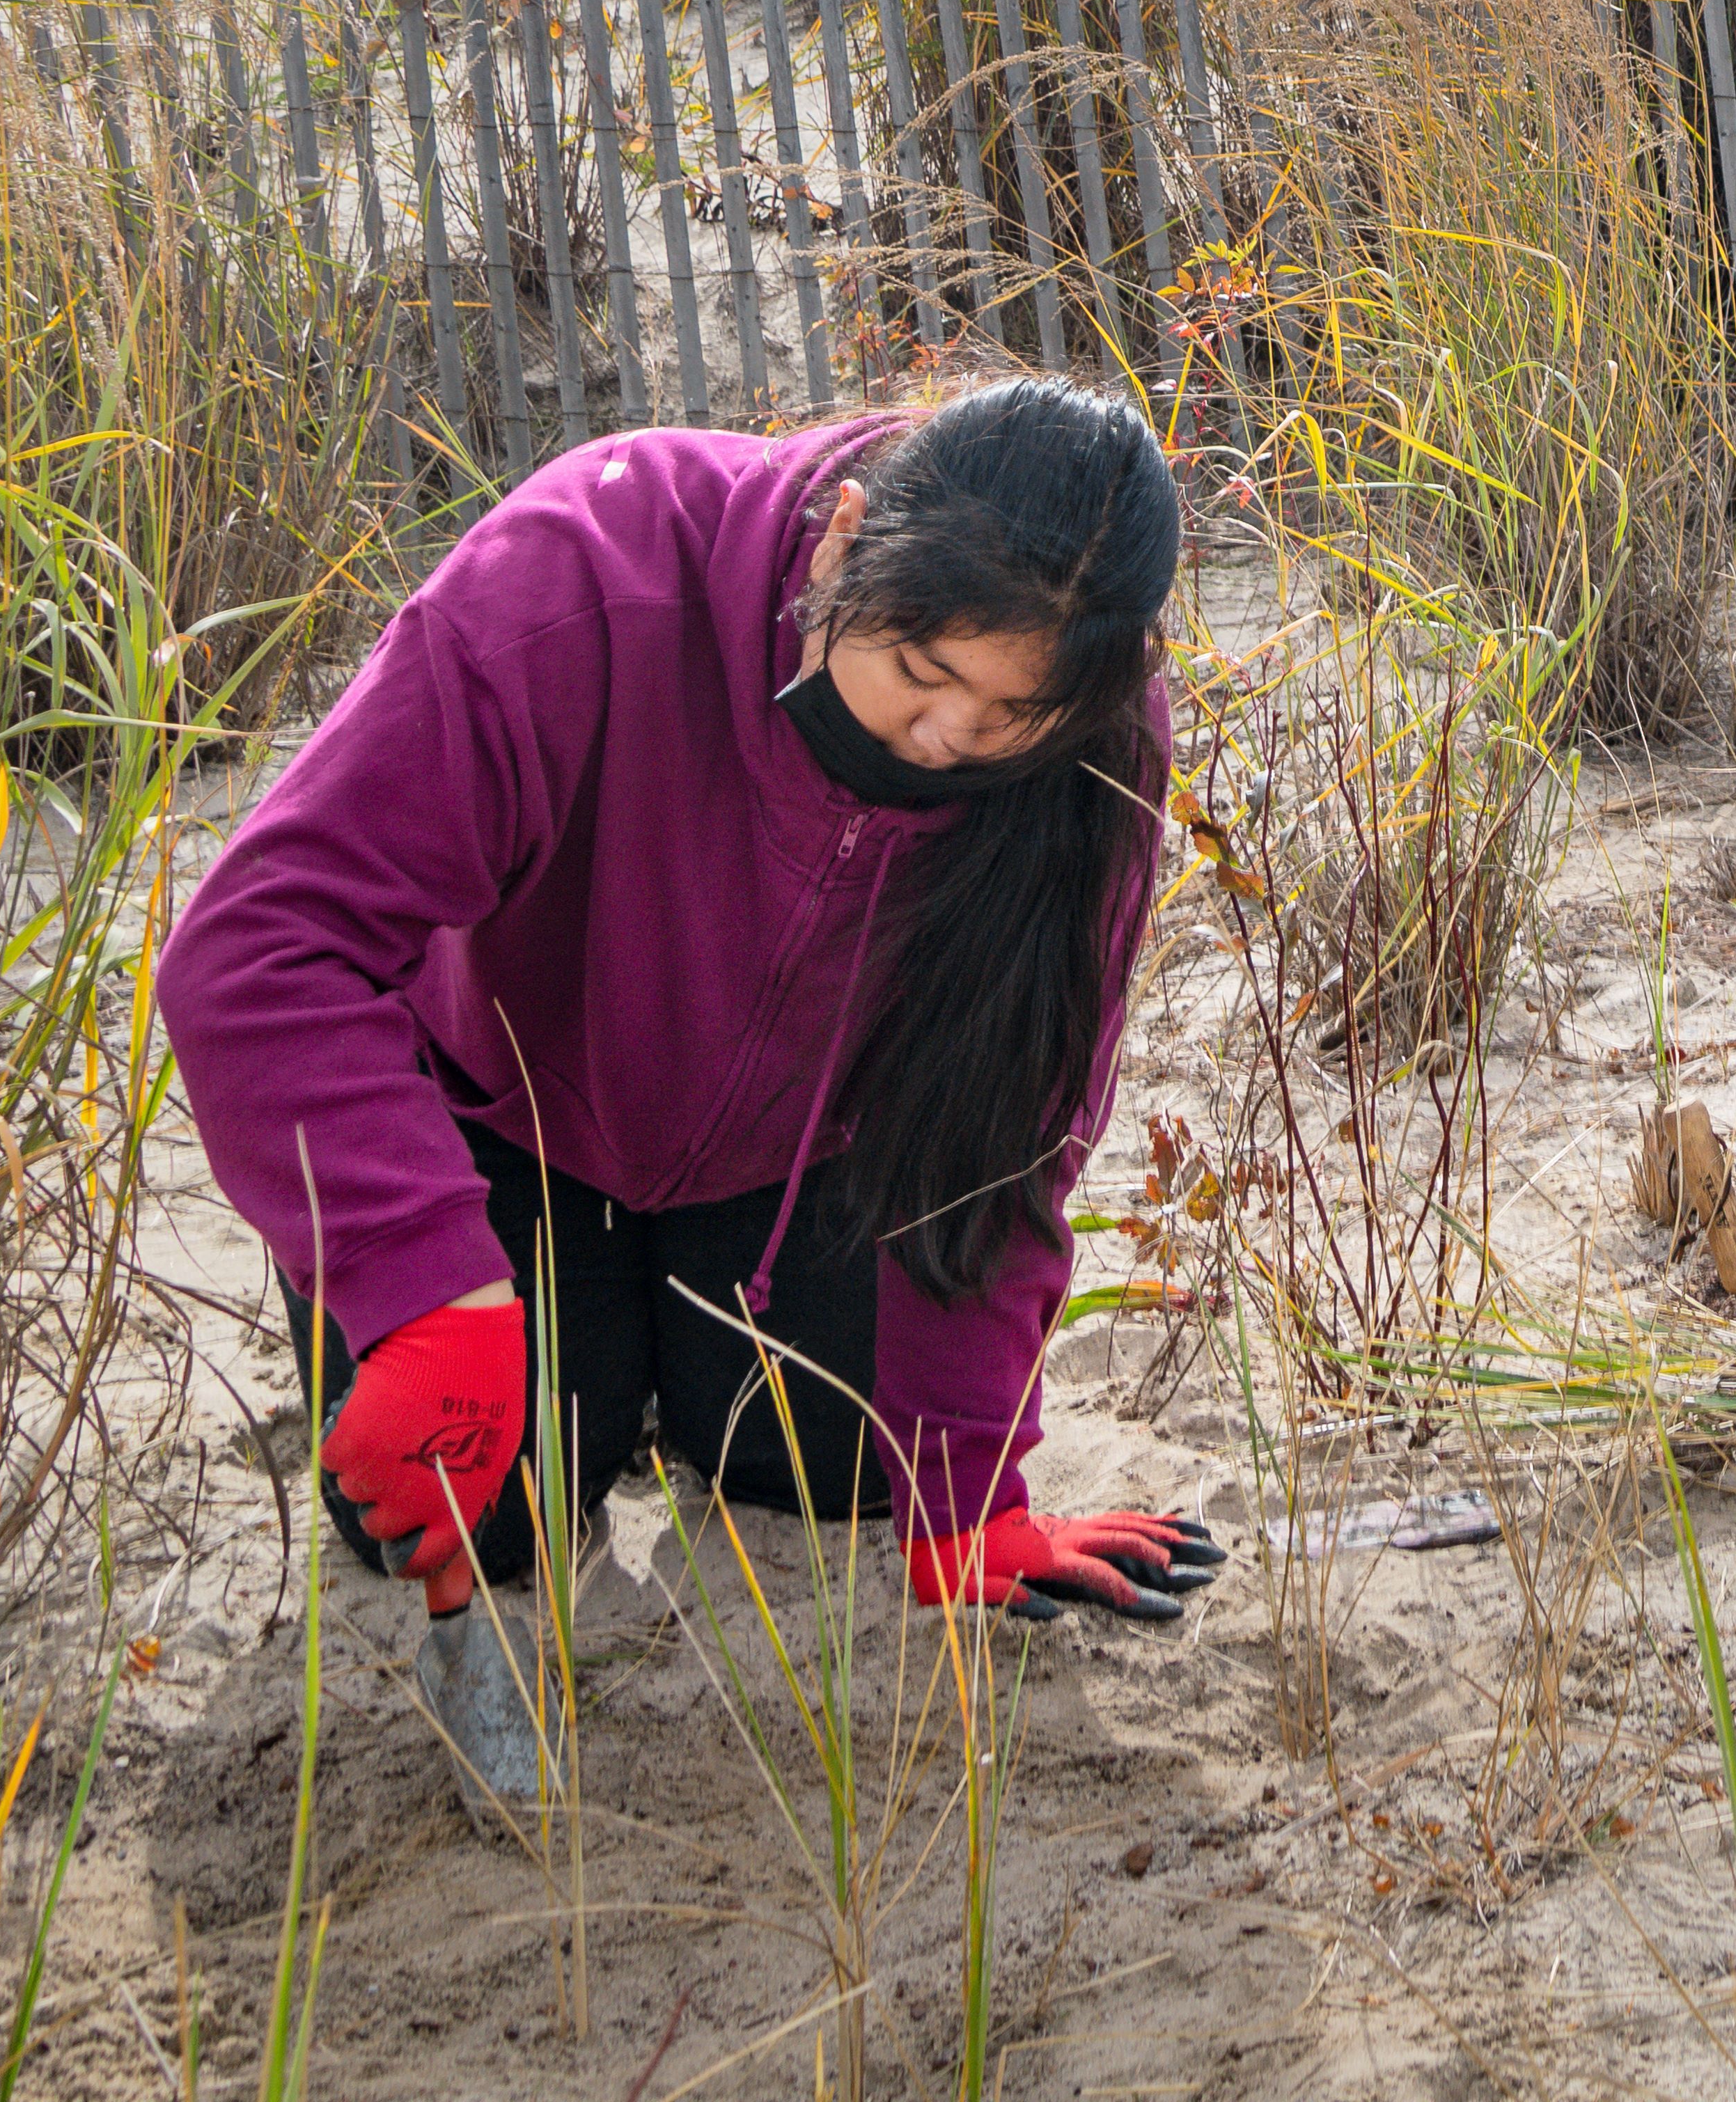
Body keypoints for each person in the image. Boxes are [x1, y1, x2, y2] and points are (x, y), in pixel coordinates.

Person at [163, 378, 1230, 1627]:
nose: (947, 738)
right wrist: (419, 1280)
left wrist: (972, 1498)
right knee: (484, 1509)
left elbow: (1011, 1127)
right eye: (922, 670)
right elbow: (255, 947)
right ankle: (555, 1342)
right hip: (499, 1122)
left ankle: (663, 1359)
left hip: (790, 1171)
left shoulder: (1094, 748)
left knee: (848, 1475)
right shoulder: (584, 569)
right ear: (846, 536)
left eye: (1010, 716)